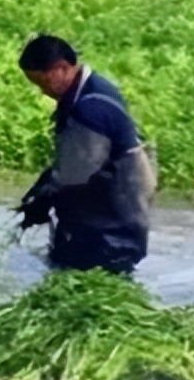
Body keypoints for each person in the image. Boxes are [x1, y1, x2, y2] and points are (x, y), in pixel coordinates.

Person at [15, 34, 157, 275]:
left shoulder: (90, 108)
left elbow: (78, 175)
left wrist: (45, 199)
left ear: (60, 68)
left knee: (92, 282)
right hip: (118, 214)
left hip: (110, 227)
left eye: (42, 83)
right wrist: (42, 187)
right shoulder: (95, 87)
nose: (42, 91)